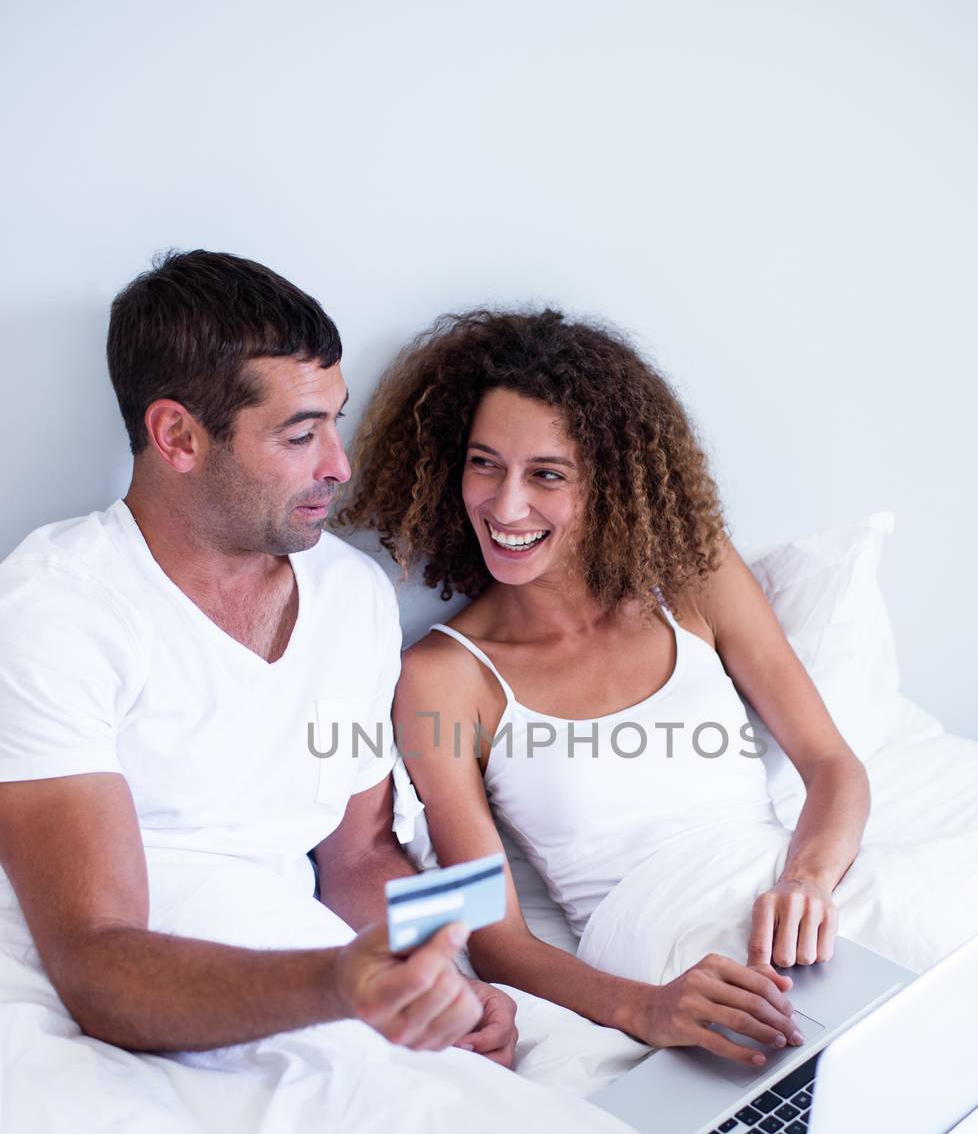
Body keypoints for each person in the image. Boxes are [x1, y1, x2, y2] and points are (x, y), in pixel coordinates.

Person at [0, 251, 517, 1067]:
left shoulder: (351, 598)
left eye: (334, 422)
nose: (338, 465)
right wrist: (340, 984)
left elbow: (356, 858)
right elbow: (96, 963)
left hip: (307, 976)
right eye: (299, 433)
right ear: (177, 436)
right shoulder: (56, 610)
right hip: (115, 1027)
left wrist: (435, 977)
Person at [339, 308, 871, 1069]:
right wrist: (643, 1008)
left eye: (546, 474)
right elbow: (495, 936)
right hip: (659, 955)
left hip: (795, 904)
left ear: (610, 482)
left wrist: (807, 881)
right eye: (484, 463)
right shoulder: (443, 677)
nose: (504, 504)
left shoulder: (694, 576)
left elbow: (832, 765)